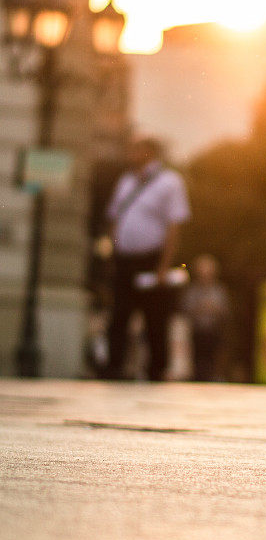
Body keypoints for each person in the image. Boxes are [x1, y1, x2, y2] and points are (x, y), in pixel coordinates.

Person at [100, 135, 191, 381]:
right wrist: (114, 251)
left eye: (137, 149)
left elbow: (174, 225)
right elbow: (115, 216)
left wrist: (164, 265)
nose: (131, 154)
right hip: (124, 259)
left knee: (155, 318)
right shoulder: (127, 180)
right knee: (119, 316)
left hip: (152, 260)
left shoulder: (169, 182)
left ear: (150, 152)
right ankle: (114, 366)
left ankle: (156, 369)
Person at [182, 254, 230, 381]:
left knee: (214, 356)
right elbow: (186, 309)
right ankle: (197, 378)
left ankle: (215, 377)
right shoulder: (191, 291)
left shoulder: (219, 291)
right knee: (197, 358)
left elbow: (224, 310)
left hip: (214, 332)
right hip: (196, 332)